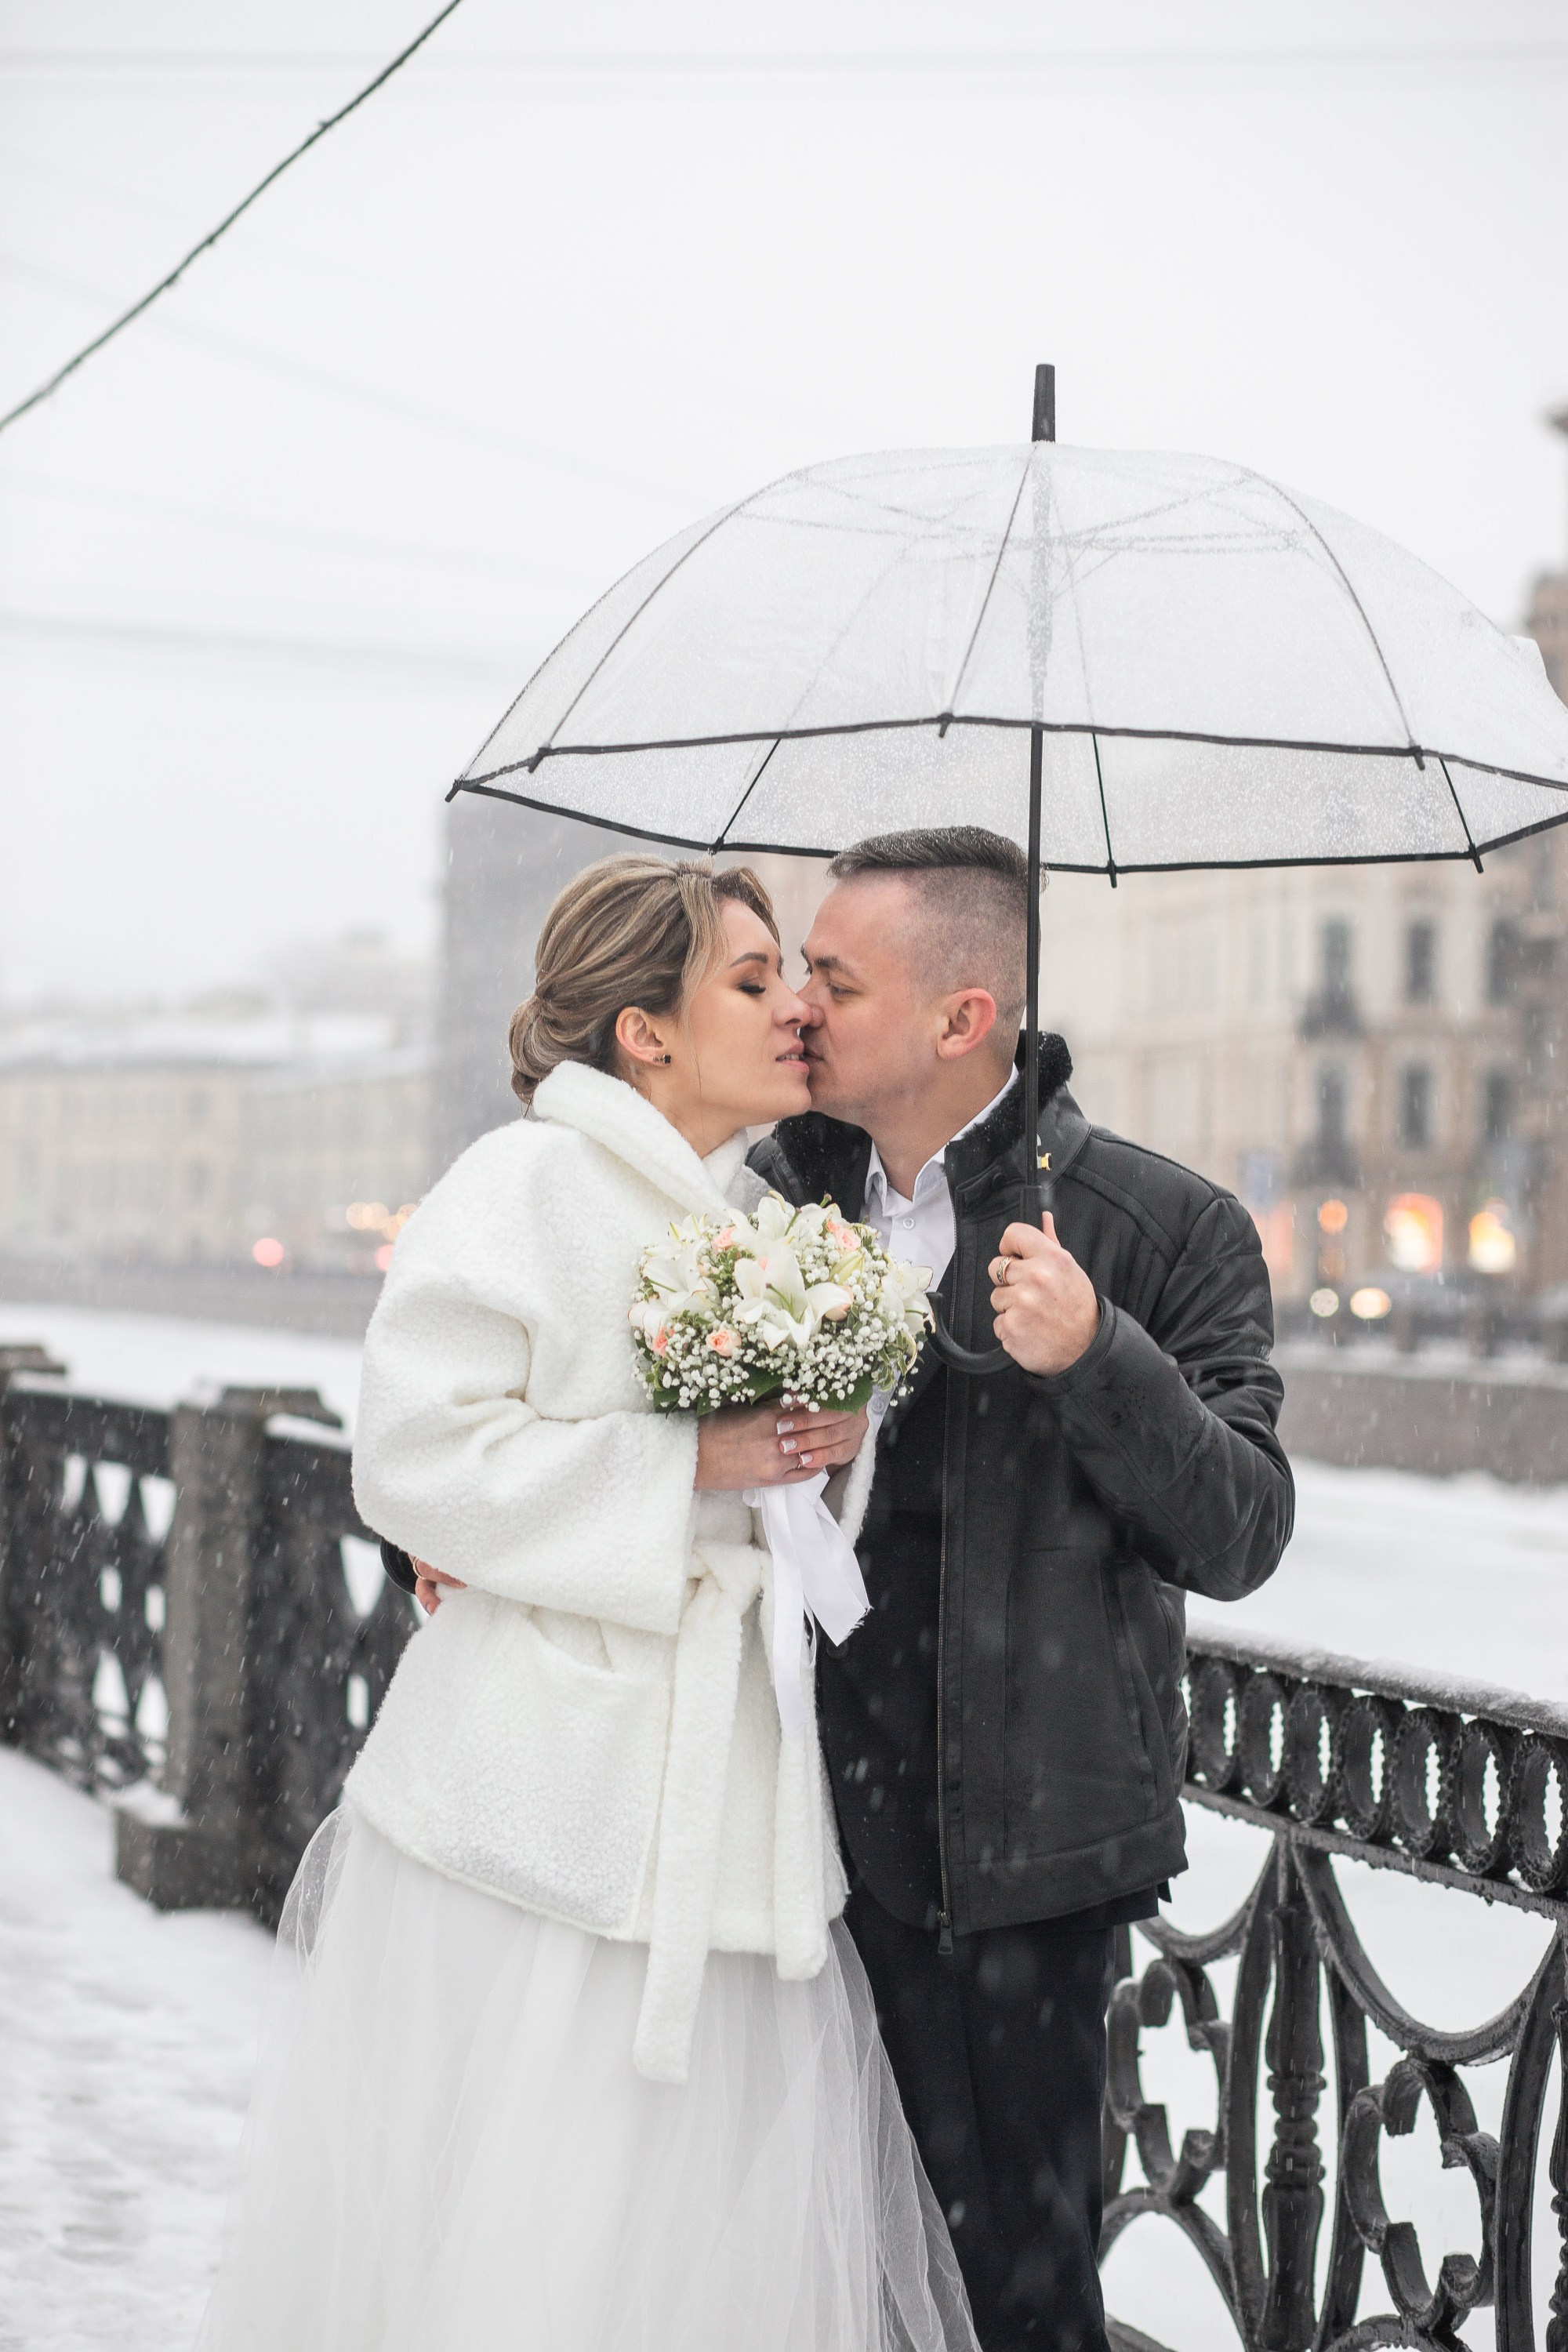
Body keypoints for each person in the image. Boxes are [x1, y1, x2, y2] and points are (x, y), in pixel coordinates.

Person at [196, 855, 979, 2352]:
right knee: (513, 2222)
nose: (795, 1007)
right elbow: (417, 1456)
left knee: (693, 2253)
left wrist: (826, 1452)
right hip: (535, 1804)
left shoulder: (762, 1218)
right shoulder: (523, 1185)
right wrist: (686, 1461)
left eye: (793, 977)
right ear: (645, 1032)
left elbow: (785, 1532)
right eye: (752, 982)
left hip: (728, 1813)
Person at [743, 826, 1295, 2352]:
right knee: (793, 2282)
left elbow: (1241, 1530)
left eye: (834, 978)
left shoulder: (1160, 1228)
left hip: (1018, 1869)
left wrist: (1095, 1355)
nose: (797, 1006)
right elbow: (633, 1446)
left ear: (960, 1017)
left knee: (1017, 2303)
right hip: (773, 1846)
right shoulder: (761, 1214)